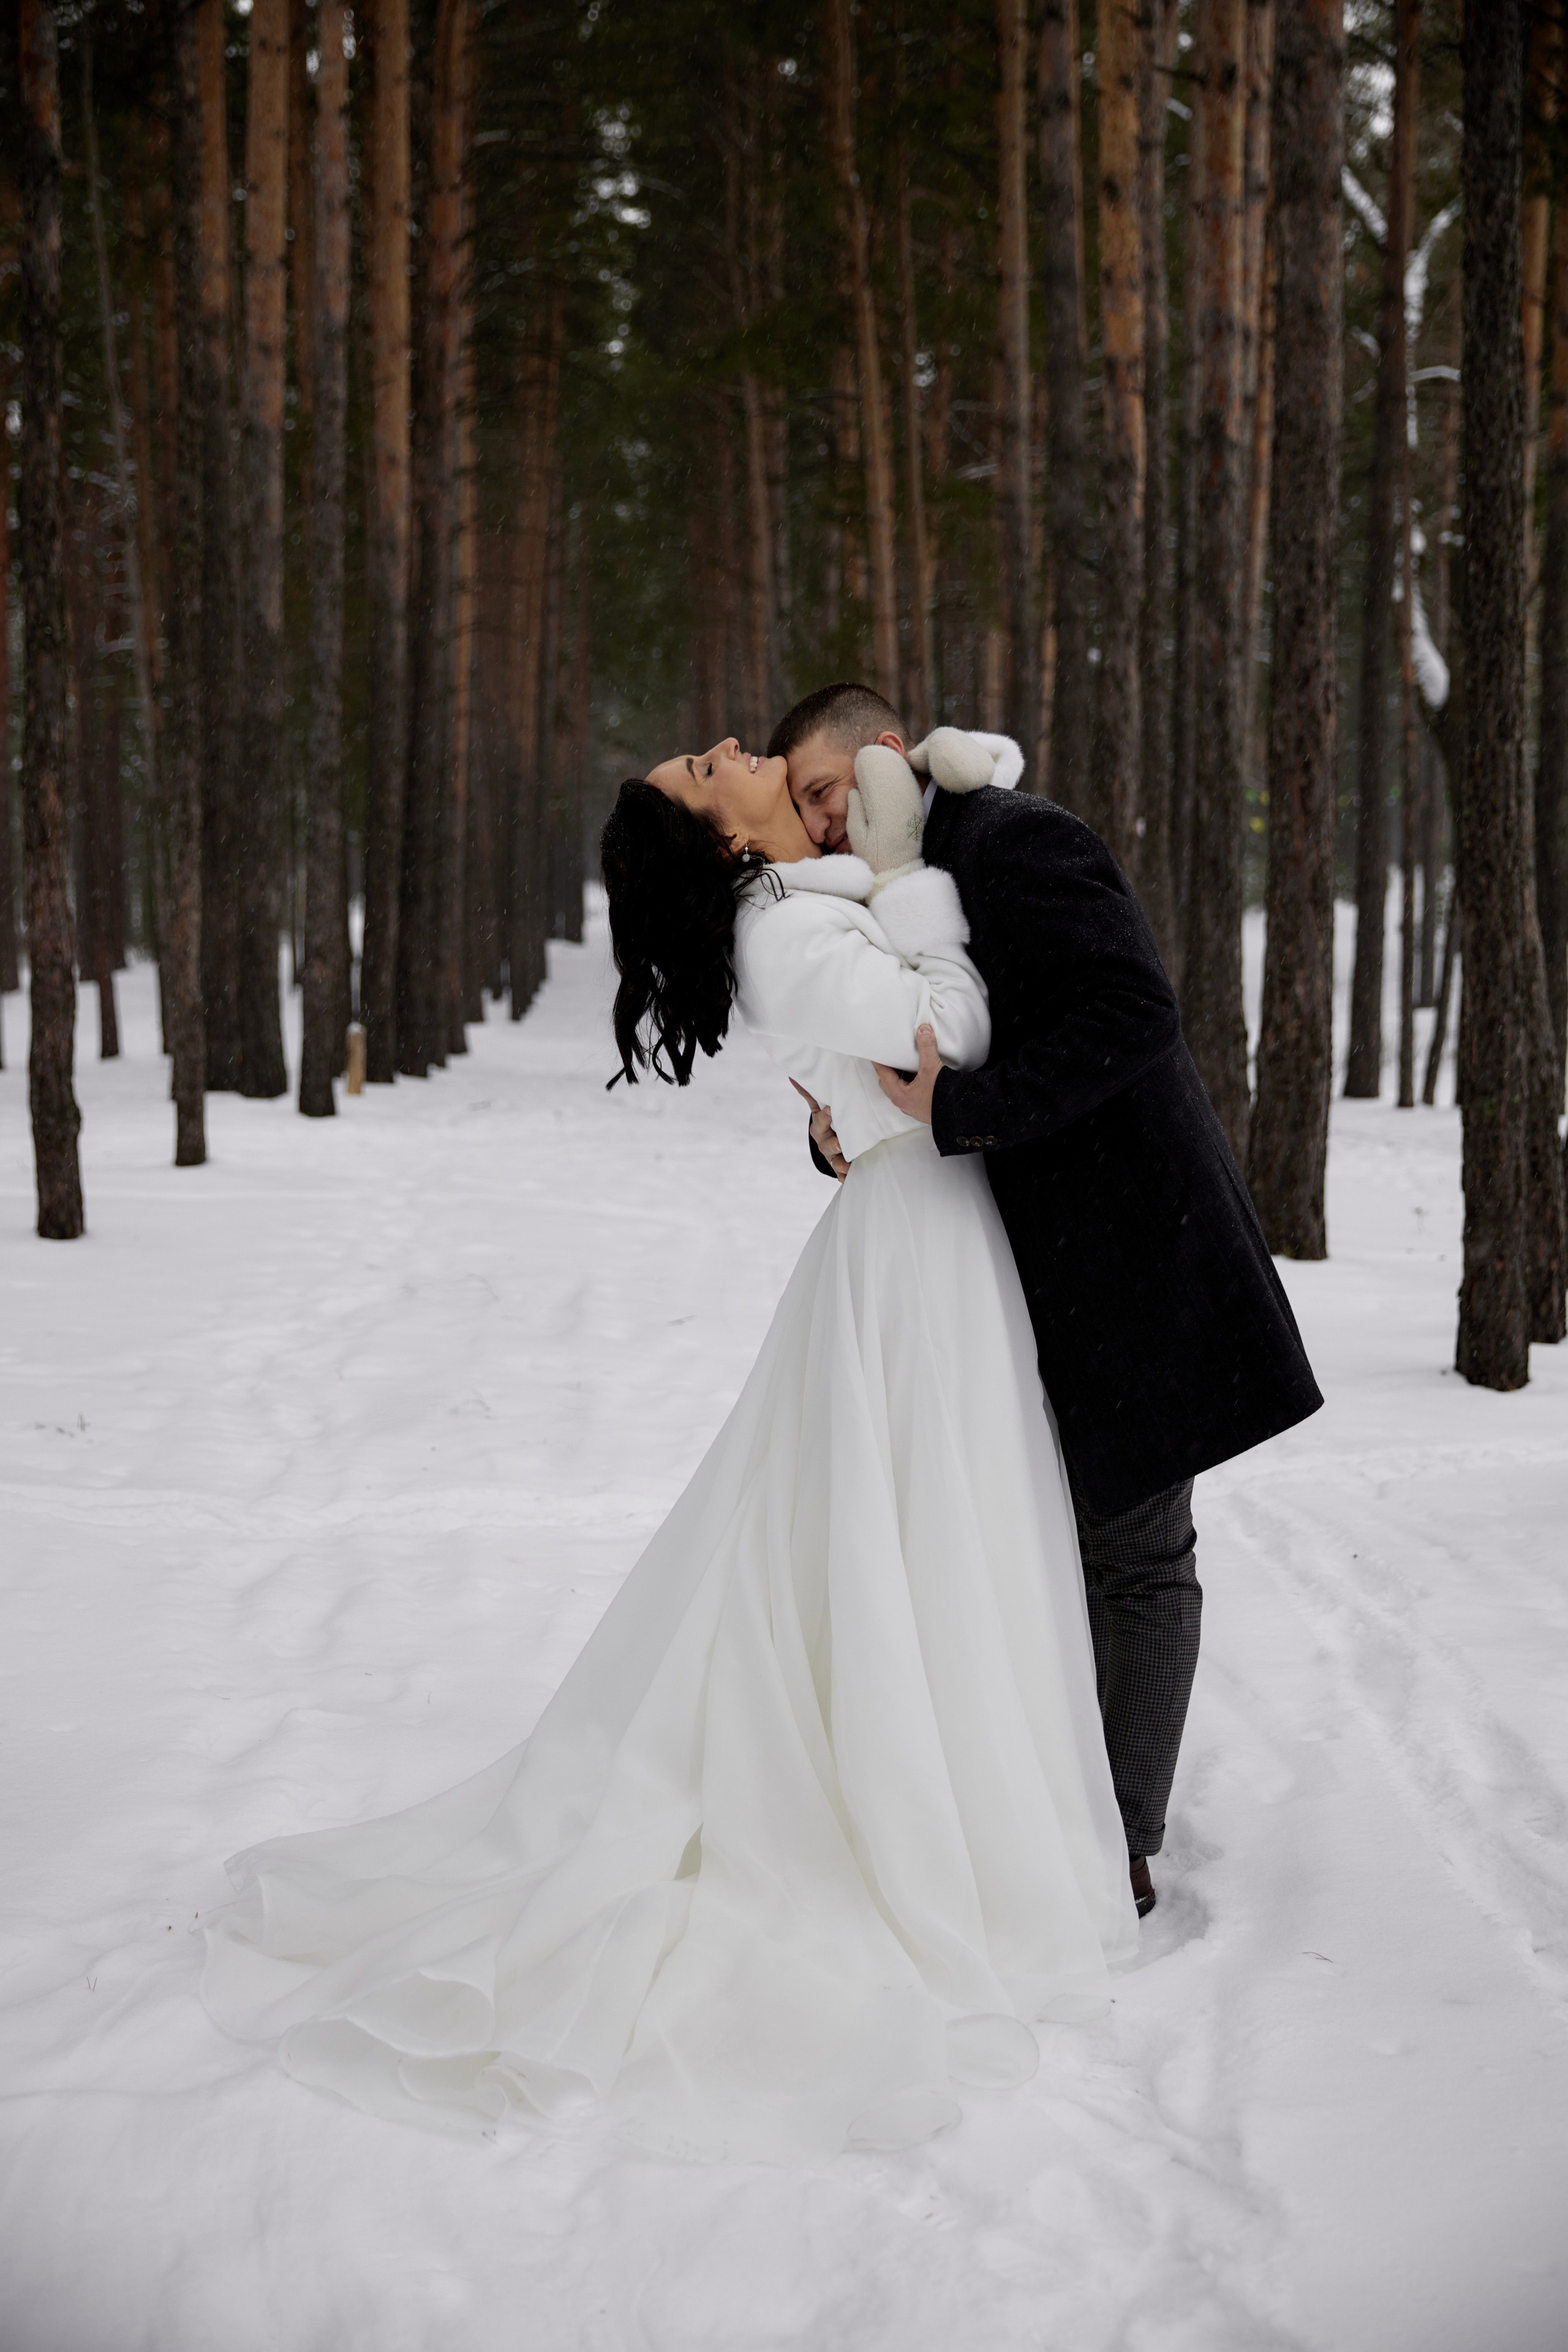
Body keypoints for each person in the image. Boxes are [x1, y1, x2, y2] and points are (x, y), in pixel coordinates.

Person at [201, 736, 1139, 2165]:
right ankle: (937, 1846)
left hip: (931, 1239)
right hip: (911, 1258)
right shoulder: (791, 933)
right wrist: (904, 884)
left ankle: (970, 1808)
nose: (747, 751)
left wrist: (874, 888)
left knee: (940, 1539)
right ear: (722, 841)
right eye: (716, 767)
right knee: (923, 1540)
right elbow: (958, 1037)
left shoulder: (799, 908)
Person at [770, 682, 1325, 1917]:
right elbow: (902, 1078)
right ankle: (1053, 1799)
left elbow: (1132, 1012)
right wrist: (838, 1131)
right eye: (802, 806)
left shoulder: (1014, 839)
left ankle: (1119, 1842)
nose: (817, 823)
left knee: (1132, 1550)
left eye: (823, 792)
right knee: (1042, 1543)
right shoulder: (890, 886)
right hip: (1025, 1274)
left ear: (884, 759)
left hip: (1135, 1254)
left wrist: (958, 1112)